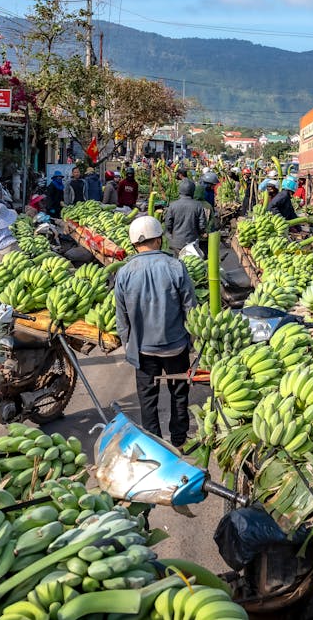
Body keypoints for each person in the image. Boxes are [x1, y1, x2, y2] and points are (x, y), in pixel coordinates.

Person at [113, 216, 198, 449]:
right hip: (176, 346)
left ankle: (155, 444)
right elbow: (191, 308)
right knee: (179, 393)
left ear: (134, 244)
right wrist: (192, 340)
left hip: (143, 350)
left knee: (147, 399)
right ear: (159, 239)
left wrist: (128, 344)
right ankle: (179, 439)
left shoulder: (124, 273)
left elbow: (122, 317)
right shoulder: (175, 266)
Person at [163, 179, 207, 255]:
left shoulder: (173, 205)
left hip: (176, 243)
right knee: (192, 261)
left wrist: (170, 235)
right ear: (193, 191)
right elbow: (202, 225)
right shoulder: (198, 205)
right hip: (192, 242)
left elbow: (168, 224)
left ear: (180, 191)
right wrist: (201, 233)